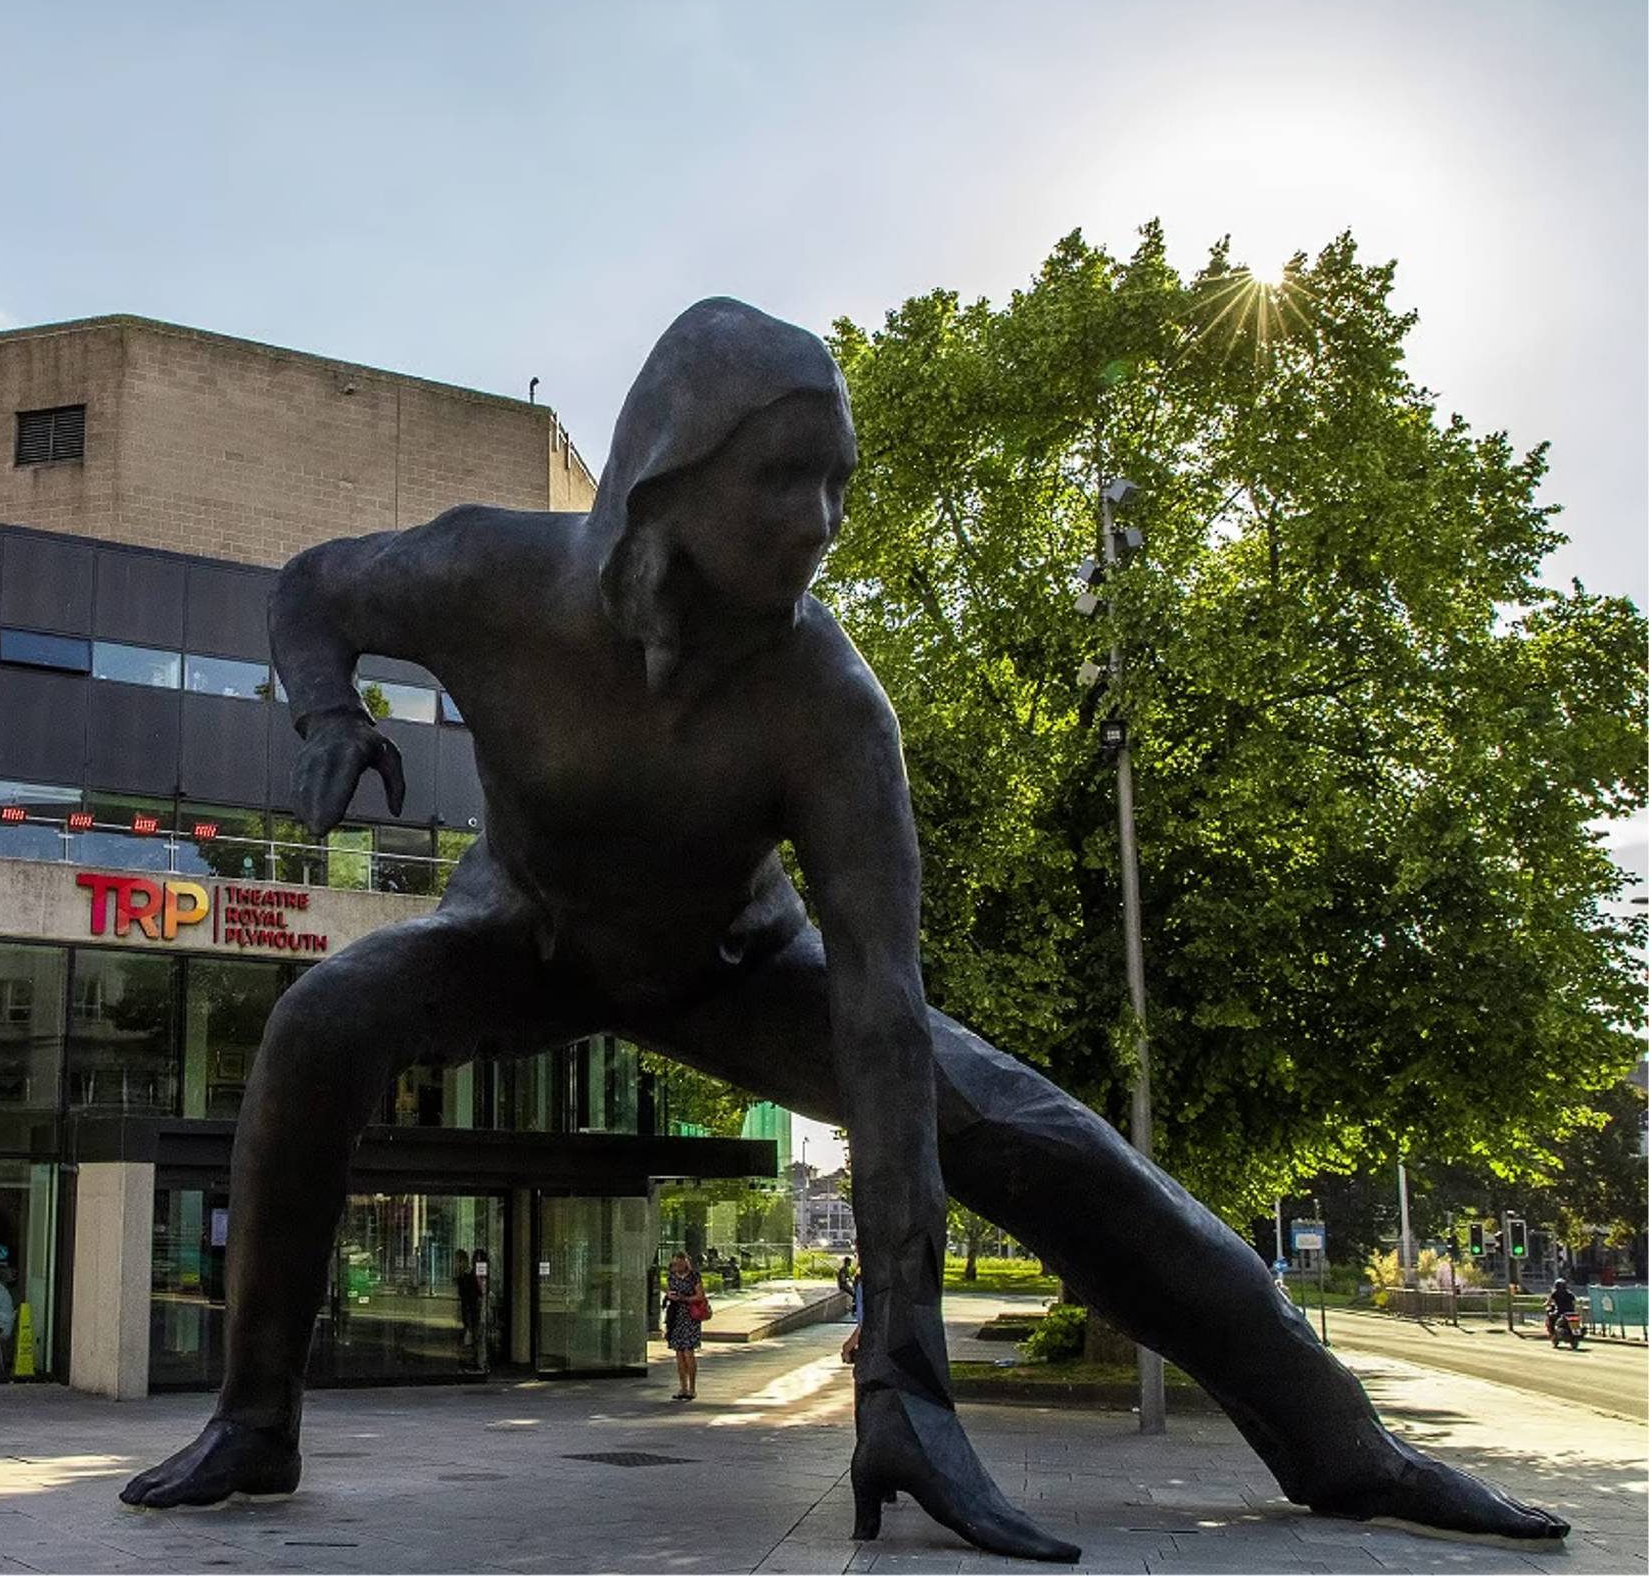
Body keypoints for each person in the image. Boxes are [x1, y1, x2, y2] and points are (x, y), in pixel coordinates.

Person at [117, 300, 1562, 1558]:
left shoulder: (826, 701)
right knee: (317, 1025)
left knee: (1048, 1138)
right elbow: (309, 587)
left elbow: (878, 1010)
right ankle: (254, 1422)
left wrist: (907, 1379)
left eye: (837, 485)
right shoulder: (493, 576)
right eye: (780, 480)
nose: (816, 522)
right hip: (525, 931)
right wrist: (328, 713)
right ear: (669, 480)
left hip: (739, 968)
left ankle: (1342, 1447)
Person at [661, 1252, 705, 1401]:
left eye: (680, 1263)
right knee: (679, 1353)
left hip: (690, 1317)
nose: (677, 1267)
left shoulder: (694, 1277)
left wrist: (684, 1298)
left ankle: (692, 1388)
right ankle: (683, 1387)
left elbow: (700, 1296)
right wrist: (670, 1296)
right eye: (675, 1264)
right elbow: (668, 1291)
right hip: (675, 1317)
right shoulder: (671, 1277)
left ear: (686, 1263)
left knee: (688, 1352)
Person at [452, 1250, 481, 1364]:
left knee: (471, 1332)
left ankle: (472, 1359)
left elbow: (474, 1292)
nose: (456, 1264)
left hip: (470, 1307)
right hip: (465, 1307)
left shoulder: (468, 1275)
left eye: (458, 1261)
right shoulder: (462, 1275)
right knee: (467, 1332)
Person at [1545, 1279, 1583, 1350]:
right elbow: (1576, 1301)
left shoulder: (1555, 1293)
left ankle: (1553, 1334)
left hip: (1560, 1312)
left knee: (1550, 1318)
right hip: (1572, 1313)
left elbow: (1548, 1302)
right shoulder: (1569, 1293)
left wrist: (1546, 1305)